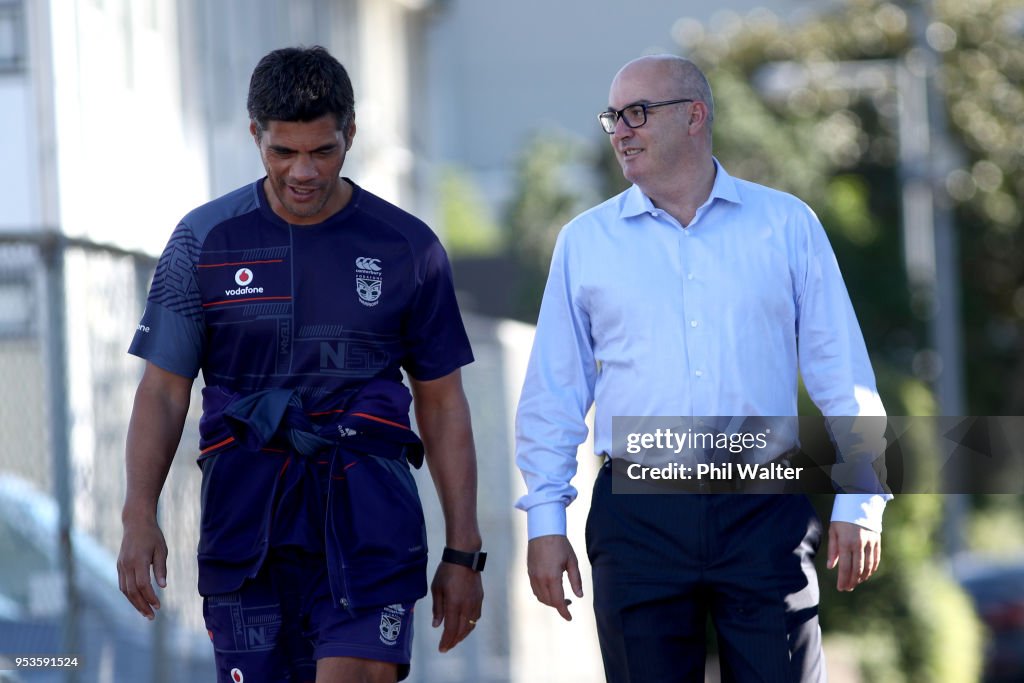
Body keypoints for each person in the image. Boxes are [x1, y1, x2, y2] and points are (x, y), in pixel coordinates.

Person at [515, 54, 891, 682]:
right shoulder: (585, 242)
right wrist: (546, 520)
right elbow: (554, 393)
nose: (620, 130)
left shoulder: (787, 225)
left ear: (695, 116)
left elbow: (843, 374)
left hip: (764, 503)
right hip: (638, 515)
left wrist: (862, 501)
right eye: (613, 117)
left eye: (637, 113)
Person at [118, 46, 485, 683]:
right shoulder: (202, 241)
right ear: (254, 133)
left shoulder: (407, 247)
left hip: (370, 520)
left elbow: (444, 403)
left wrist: (464, 550)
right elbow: (163, 393)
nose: (303, 172)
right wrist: (137, 515)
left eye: (323, 151)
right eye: (282, 152)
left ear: (352, 134)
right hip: (245, 523)